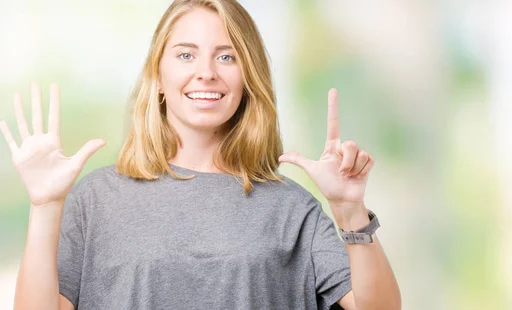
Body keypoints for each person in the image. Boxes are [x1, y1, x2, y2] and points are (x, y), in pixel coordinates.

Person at [2, 0, 401, 309]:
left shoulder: (293, 210)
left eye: (226, 56)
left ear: (249, 77)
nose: (206, 72)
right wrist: (45, 205)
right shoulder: (95, 201)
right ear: (158, 77)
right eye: (186, 55)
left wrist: (350, 210)